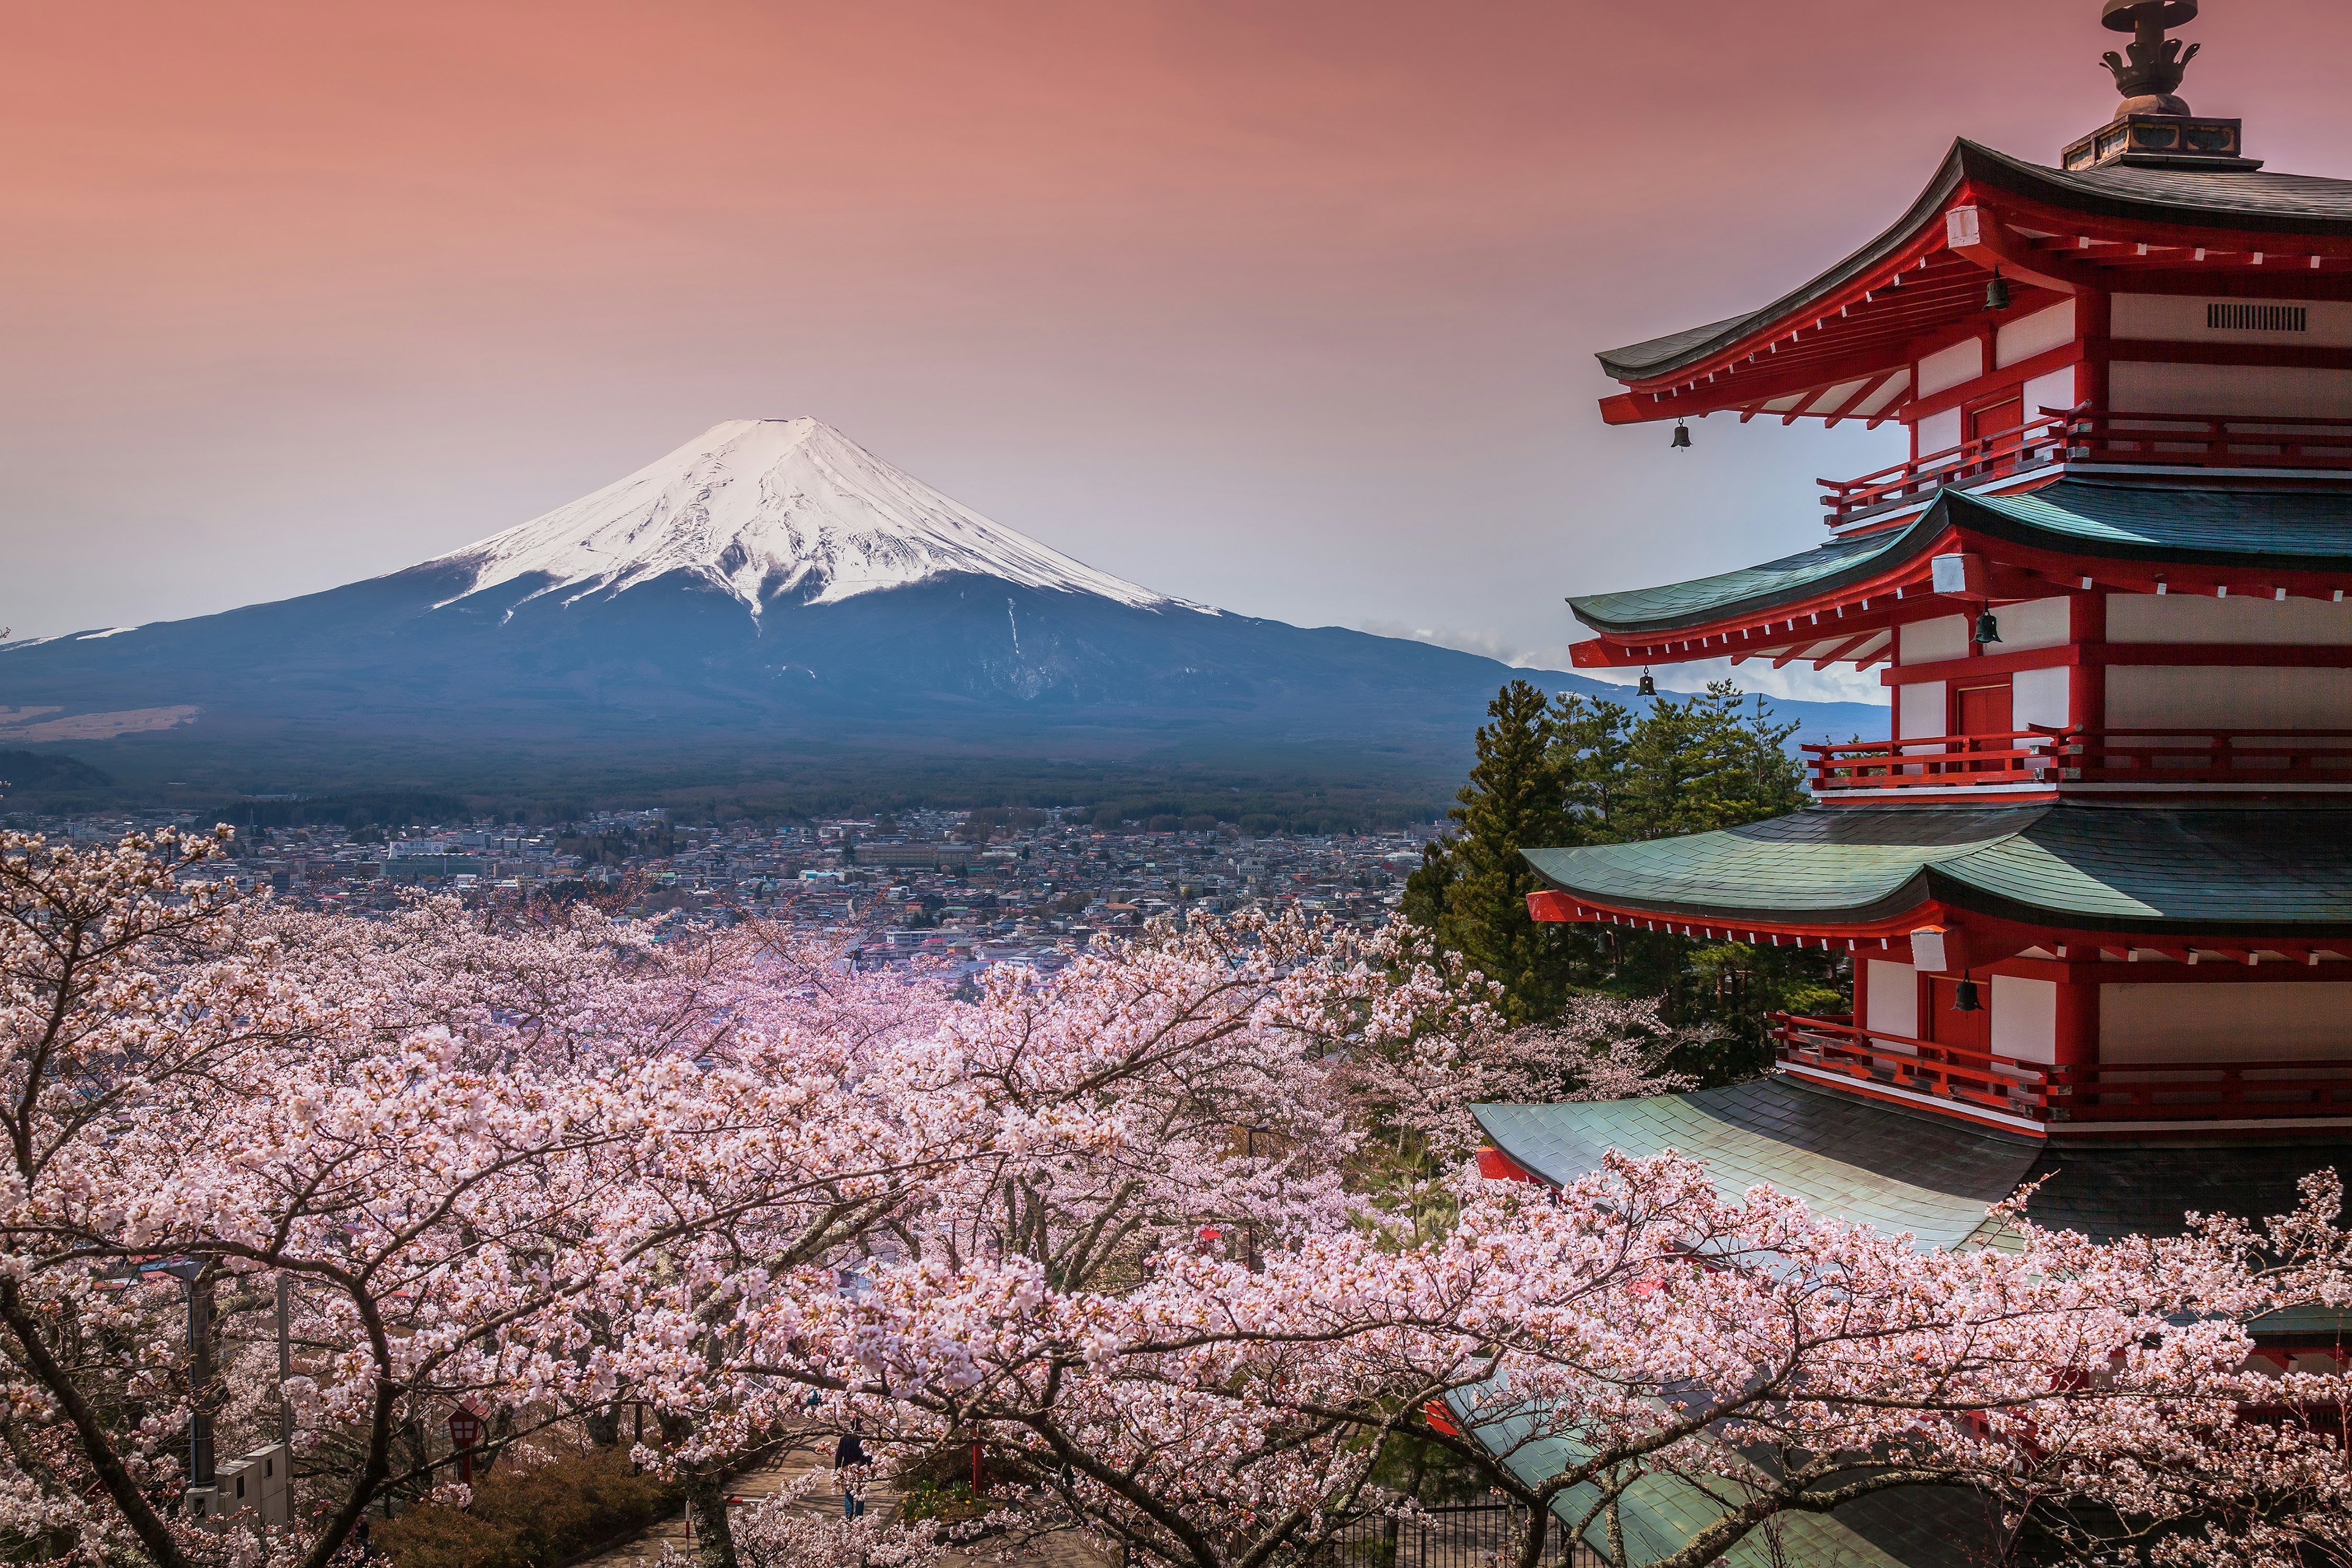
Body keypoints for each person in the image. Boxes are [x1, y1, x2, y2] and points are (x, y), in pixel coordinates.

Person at [834, 1427, 867, 1520]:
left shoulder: (845, 1437)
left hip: (846, 1467)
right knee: (860, 1492)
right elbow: (867, 1455)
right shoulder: (863, 1437)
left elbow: (839, 1455)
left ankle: (849, 1512)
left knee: (849, 1491)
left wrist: (838, 1470)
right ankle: (859, 1515)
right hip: (860, 1468)